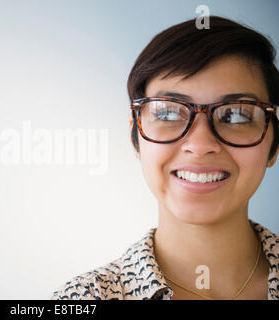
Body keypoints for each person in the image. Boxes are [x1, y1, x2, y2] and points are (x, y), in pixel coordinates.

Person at [51, 16, 279, 300]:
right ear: (135, 134)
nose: (200, 145)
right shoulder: (83, 298)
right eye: (168, 113)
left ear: (274, 142)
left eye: (236, 115)